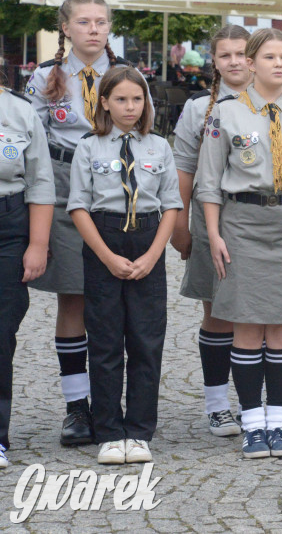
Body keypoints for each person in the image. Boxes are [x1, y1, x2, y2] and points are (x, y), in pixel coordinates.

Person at [196, 28, 282, 459]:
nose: (279, 64)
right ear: (250, 64)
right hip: (243, 223)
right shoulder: (227, 112)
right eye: (269, 56)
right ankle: (253, 424)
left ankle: (279, 421)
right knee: (249, 326)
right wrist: (214, 234)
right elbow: (210, 182)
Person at [23, 0, 135, 446]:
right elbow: (31, 143)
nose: (94, 29)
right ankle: (76, 409)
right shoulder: (45, 78)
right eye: (84, 22)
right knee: (74, 297)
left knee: (113, 303)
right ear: (65, 29)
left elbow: (143, 131)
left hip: (116, 187)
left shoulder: (125, 74)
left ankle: (110, 403)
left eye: (102, 21)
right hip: (64, 182)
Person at [67, 66, 182, 464]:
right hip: (105, 241)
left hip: (147, 240)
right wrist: (107, 257)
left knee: (146, 341)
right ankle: (110, 433)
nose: (130, 106)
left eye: (137, 99)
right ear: (104, 103)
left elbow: (171, 206)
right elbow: (78, 206)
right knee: (104, 341)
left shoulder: (159, 147)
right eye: (120, 99)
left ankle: (139, 432)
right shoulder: (89, 147)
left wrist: (152, 256)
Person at [171, 24, 250, 437]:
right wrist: (178, 225)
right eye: (226, 55)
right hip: (209, 217)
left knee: (263, 313)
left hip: (263, 222)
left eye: (242, 53)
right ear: (214, 62)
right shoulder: (197, 108)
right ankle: (218, 403)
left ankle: (258, 403)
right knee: (217, 313)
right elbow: (183, 168)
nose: (235, 61)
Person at [0, 83, 55, 468]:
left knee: (1, 331)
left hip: (9, 227)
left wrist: (37, 244)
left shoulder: (20, 112)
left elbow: (40, 181)